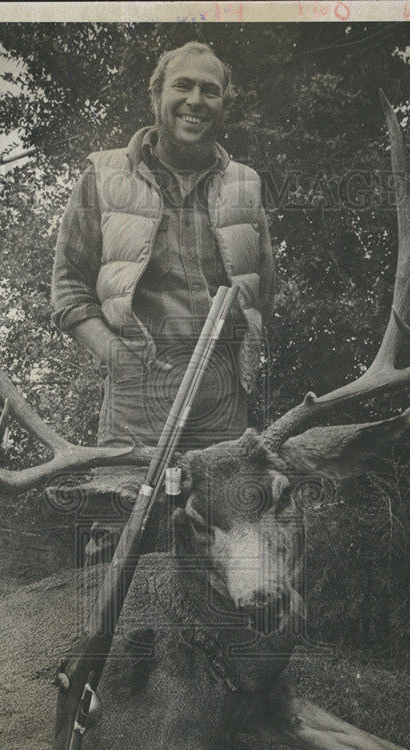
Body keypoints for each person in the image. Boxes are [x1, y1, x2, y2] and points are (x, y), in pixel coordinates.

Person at [51, 41, 275, 452]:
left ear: (224, 102)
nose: (196, 100)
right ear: (157, 95)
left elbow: (261, 294)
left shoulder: (246, 185)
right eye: (182, 86)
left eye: (210, 90)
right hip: (136, 403)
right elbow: (68, 291)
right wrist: (117, 359)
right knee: (125, 513)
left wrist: (239, 369)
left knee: (214, 516)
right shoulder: (105, 175)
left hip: (223, 407)